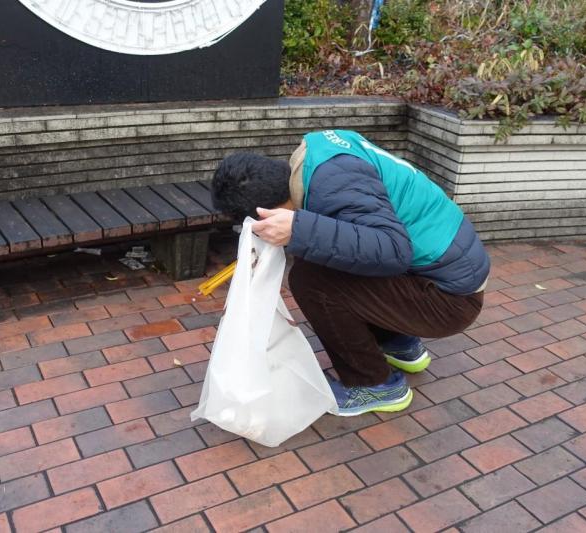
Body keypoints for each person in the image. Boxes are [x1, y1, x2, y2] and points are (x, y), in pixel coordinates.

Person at [210, 130, 490, 416]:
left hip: (450, 300)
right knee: (328, 256)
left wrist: (299, 229)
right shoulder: (317, 158)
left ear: (265, 212)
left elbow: (392, 250)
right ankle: (398, 344)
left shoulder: (332, 187)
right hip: (440, 275)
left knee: (311, 281)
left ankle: (374, 384)